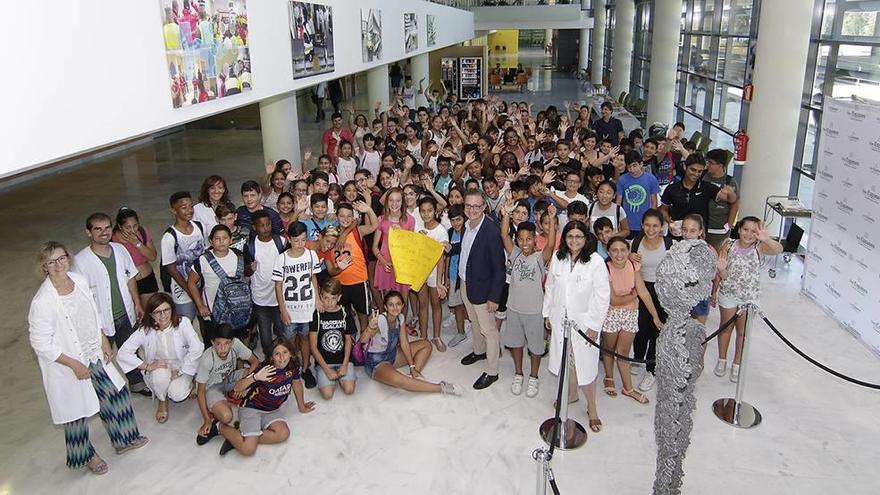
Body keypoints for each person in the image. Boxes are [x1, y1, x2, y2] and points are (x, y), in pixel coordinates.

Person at [28, 241, 148, 475]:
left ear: (68, 258)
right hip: (69, 363)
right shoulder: (42, 302)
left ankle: (124, 438)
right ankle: (87, 456)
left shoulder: (79, 280)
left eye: (61, 258)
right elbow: (40, 343)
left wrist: (103, 338)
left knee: (116, 392)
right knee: (76, 414)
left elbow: (95, 311)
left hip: (94, 353)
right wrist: (73, 364)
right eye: (51, 262)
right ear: (44, 267)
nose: (58, 265)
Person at [543, 221, 610, 432]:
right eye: (570, 236)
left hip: (584, 323)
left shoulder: (596, 262)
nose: (574, 241)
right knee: (566, 361)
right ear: (564, 238)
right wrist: (547, 313)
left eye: (578, 237)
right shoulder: (558, 257)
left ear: (585, 238)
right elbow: (550, 286)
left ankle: (592, 408)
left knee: (586, 366)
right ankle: (571, 395)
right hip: (560, 318)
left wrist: (594, 325)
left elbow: (602, 296)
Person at [73, 212, 147, 395]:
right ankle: (104, 392)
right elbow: (79, 297)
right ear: (88, 232)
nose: (104, 232)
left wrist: (137, 303)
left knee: (130, 351)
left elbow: (130, 277)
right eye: (98, 229)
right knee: (101, 357)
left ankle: (137, 384)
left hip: (125, 313)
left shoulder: (120, 249)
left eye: (107, 227)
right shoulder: (80, 261)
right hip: (101, 321)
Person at [218, 339, 316, 456]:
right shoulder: (264, 370)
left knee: (283, 433)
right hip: (252, 408)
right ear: (271, 357)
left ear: (291, 354)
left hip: (272, 410)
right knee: (248, 450)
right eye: (277, 354)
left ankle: (240, 437)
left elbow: (297, 383)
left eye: (285, 352)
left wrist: (302, 406)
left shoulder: (293, 365)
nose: (281, 357)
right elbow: (237, 388)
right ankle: (220, 427)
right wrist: (255, 377)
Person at [714, 217, 783, 383]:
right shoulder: (728, 245)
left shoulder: (760, 247)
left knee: (742, 332)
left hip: (749, 298)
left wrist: (766, 238)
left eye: (754, 231)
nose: (749, 234)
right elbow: (722, 272)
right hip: (728, 294)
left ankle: (737, 363)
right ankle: (722, 359)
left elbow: (778, 249)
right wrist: (718, 278)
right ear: (739, 230)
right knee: (725, 328)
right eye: (746, 229)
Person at [499, 200, 556, 398]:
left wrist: (553, 218)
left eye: (528, 239)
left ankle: (533, 376)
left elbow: (550, 243)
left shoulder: (541, 258)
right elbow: (504, 235)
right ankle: (518, 373)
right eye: (521, 239)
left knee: (535, 347)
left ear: (534, 240)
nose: (524, 243)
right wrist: (506, 214)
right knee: (515, 343)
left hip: (534, 311)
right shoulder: (514, 254)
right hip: (514, 308)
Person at [116, 293, 202, 423]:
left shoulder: (183, 323)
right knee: (159, 378)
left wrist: (180, 371)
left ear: (172, 309)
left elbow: (197, 348)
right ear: (151, 314)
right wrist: (146, 366)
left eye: (166, 310)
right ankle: (162, 401)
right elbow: (123, 353)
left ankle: (190, 381)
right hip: (160, 366)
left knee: (177, 394)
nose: (162, 316)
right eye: (157, 312)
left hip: (182, 366)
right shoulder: (145, 330)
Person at [361, 292, 462, 395]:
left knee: (426, 345)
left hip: (392, 355)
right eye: (391, 305)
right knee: (401, 381)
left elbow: (404, 343)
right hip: (377, 362)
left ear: (403, 305)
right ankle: (441, 387)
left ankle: (413, 376)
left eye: (398, 304)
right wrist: (370, 328)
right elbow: (363, 340)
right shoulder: (380, 320)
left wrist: (412, 367)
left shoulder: (400, 318)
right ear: (385, 307)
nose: (395, 307)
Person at [601, 237, 663, 404]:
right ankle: (609, 376)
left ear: (629, 251)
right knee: (608, 348)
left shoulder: (634, 266)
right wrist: (633, 294)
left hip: (630, 314)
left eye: (623, 250)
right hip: (611, 314)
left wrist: (655, 316)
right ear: (608, 252)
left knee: (623, 351)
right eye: (614, 250)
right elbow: (613, 300)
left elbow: (644, 292)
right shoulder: (605, 269)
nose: (619, 254)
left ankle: (628, 388)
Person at [458, 189, 507, 390]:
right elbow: (467, 250)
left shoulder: (491, 231)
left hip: (484, 288)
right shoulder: (466, 226)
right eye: (468, 206)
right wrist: (449, 247)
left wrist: (494, 297)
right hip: (465, 283)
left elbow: (499, 268)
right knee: (474, 322)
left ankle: (492, 370)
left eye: (477, 206)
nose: (472, 210)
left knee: (489, 330)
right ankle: (479, 351)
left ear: (484, 207)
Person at [272, 221, 323, 389]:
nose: (300, 244)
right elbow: (278, 285)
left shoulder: (311, 255)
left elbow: (314, 278)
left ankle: (306, 367)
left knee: (306, 338)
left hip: (307, 306)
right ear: (289, 238)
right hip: (291, 308)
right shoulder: (282, 259)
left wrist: (317, 299)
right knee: (290, 341)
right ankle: (291, 368)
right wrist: (282, 310)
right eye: (296, 240)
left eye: (303, 240)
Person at [628, 209, 673, 392]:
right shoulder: (636, 242)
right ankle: (638, 357)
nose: (651, 229)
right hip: (641, 288)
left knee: (658, 329)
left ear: (662, 227)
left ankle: (651, 369)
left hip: (663, 290)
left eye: (655, 225)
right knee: (641, 326)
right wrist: (630, 256)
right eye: (647, 225)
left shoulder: (670, 244)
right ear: (641, 225)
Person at [194, 323, 260, 446]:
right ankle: (217, 424)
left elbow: (255, 362)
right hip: (212, 387)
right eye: (218, 344)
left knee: (256, 377)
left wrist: (243, 383)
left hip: (229, 378)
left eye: (227, 344)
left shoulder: (236, 344)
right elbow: (200, 391)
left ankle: (232, 397)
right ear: (213, 343)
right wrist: (207, 420)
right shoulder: (207, 359)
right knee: (226, 416)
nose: (223, 348)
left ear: (232, 342)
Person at [660, 153, 737, 239]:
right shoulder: (672, 188)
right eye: (693, 170)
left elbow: (731, 200)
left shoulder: (707, 187)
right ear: (685, 167)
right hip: (676, 236)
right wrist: (670, 221)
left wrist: (731, 193)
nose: (696, 174)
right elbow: (663, 209)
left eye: (699, 171)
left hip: (698, 239)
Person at [246, 211, 289, 357]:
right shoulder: (251, 246)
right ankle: (269, 358)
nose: (266, 228)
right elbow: (246, 272)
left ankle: (283, 358)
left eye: (268, 224)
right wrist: (249, 269)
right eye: (261, 225)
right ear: (254, 227)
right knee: (265, 335)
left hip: (279, 297)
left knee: (282, 331)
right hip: (260, 299)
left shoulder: (281, 242)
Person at [161, 191, 207, 321]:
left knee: (205, 320)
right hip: (182, 290)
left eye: (191, 206)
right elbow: (172, 269)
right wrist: (191, 291)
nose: (189, 210)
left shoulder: (200, 227)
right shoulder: (169, 237)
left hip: (202, 286)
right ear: (174, 211)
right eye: (184, 207)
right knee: (185, 323)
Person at [310, 279, 357, 400]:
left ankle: (341, 376)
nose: (329, 302)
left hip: (343, 359)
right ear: (320, 296)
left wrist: (345, 364)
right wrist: (326, 369)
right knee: (327, 395)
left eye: (333, 298)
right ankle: (325, 375)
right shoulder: (317, 314)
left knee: (349, 390)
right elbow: (313, 347)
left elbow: (348, 340)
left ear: (339, 297)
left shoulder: (345, 312)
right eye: (326, 298)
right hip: (325, 361)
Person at [415, 197, 450, 350]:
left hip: (435, 273)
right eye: (423, 211)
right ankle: (423, 336)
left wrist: (439, 282)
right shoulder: (417, 228)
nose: (426, 214)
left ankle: (436, 336)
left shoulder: (441, 231)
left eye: (429, 211)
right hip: (421, 272)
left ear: (435, 211)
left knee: (436, 305)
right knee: (422, 305)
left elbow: (441, 258)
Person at [112, 207, 159, 306]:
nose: (132, 230)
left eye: (135, 226)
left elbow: (153, 256)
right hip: (128, 284)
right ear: (120, 226)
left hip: (147, 279)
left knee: (150, 313)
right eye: (128, 227)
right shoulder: (112, 239)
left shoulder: (142, 232)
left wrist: (137, 243)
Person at [703, 148, 740, 249]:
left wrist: (729, 225)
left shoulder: (730, 181)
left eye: (711, 163)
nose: (708, 165)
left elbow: (735, 204)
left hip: (719, 228)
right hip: (703, 225)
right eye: (707, 162)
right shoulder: (703, 176)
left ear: (721, 165)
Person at [616, 152, 660, 238]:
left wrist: (652, 221)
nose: (632, 169)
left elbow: (654, 202)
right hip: (627, 223)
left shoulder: (651, 179)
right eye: (629, 166)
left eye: (634, 165)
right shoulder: (622, 179)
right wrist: (618, 220)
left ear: (641, 164)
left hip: (644, 223)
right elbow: (618, 202)